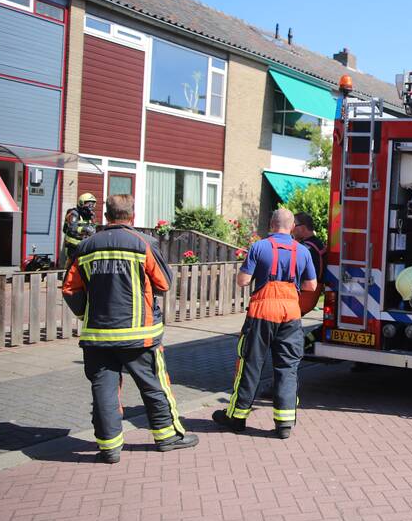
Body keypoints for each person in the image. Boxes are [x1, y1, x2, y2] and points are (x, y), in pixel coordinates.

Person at [62, 194, 197, 464]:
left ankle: (109, 448)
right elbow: (164, 284)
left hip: (97, 336)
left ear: (106, 216)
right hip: (139, 335)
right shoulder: (143, 243)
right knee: (153, 385)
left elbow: (70, 288)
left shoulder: (86, 246)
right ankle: (167, 436)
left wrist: (84, 313)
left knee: (104, 389)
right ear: (132, 216)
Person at [213, 209, 317, 439]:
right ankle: (284, 423)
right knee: (287, 367)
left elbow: (243, 281)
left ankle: (237, 418)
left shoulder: (259, 247)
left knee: (250, 365)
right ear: (292, 227)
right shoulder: (302, 250)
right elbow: (311, 285)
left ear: (271, 224)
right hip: (291, 313)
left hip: (262, 312)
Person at [292, 212, 328, 352]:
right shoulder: (317, 244)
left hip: (303, 296)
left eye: (294, 225)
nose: (291, 228)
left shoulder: (306, 249)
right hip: (311, 295)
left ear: (303, 228)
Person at [62, 192, 98, 266]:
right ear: (81, 203)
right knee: (71, 266)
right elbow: (72, 228)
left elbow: (94, 226)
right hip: (72, 246)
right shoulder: (74, 213)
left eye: (92, 204)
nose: (91, 206)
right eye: (88, 203)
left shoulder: (91, 215)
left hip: (85, 245)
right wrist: (85, 229)